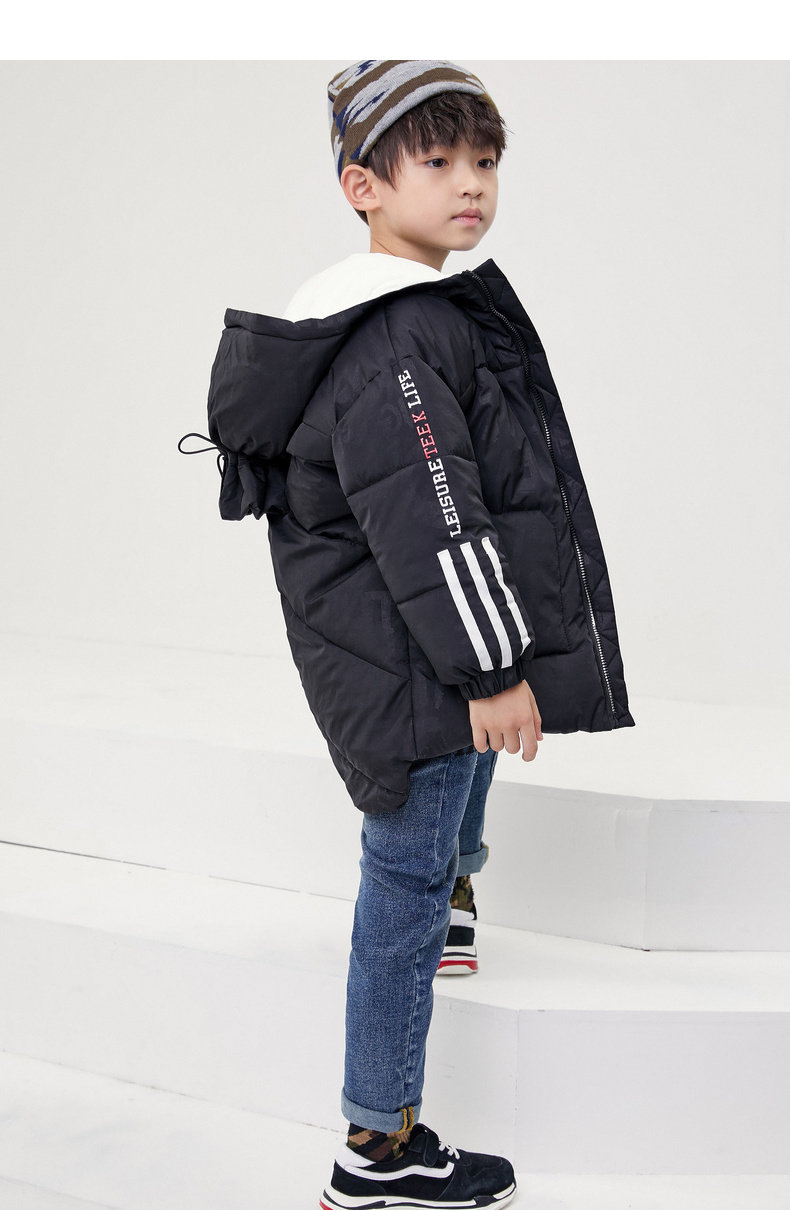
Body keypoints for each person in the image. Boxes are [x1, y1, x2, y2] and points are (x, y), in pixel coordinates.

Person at [179, 59, 634, 1210]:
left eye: (483, 160)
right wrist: (489, 668)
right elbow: (434, 518)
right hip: (413, 663)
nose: (469, 182)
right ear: (363, 187)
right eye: (436, 161)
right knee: (401, 876)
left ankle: (456, 906)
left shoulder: (417, 310)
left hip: (409, 649)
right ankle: (375, 1146)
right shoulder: (393, 336)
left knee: (444, 823)